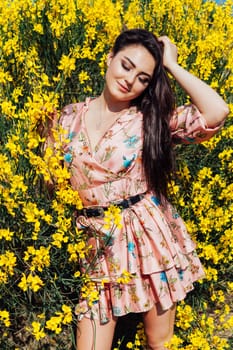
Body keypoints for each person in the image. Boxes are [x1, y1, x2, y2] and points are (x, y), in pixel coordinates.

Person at [52, 29, 229, 350]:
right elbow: (51, 180)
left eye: (143, 77)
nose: (129, 79)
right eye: (126, 65)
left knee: (157, 343)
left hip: (148, 240)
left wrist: (172, 66)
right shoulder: (65, 118)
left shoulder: (150, 119)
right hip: (96, 245)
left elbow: (216, 113)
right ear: (109, 58)